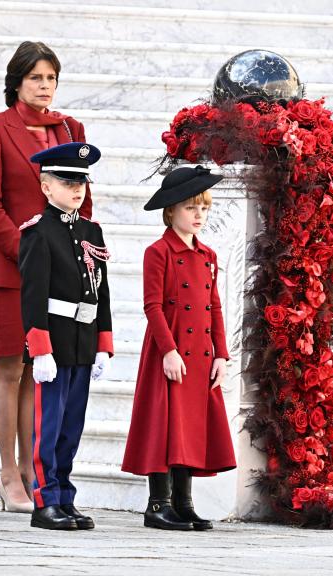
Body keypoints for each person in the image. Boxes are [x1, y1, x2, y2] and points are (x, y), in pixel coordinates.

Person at [0, 41, 92, 514]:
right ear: (16, 81)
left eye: (51, 78)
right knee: (11, 367)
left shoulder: (71, 129)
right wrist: (32, 253)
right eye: (36, 77)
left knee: (44, 374)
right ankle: (6, 474)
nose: (44, 86)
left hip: (62, 273)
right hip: (11, 266)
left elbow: (84, 198)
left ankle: (32, 470)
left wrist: (79, 256)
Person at [121, 166, 235, 531]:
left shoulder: (208, 255)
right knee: (165, 426)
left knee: (190, 427)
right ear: (170, 211)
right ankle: (158, 504)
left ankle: (184, 503)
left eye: (203, 208)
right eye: (190, 208)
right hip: (168, 352)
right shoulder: (159, 252)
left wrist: (221, 353)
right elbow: (152, 306)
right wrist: (168, 351)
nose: (198, 215)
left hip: (201, 354)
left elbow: (214, 305)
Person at [18, 142, 112, 531]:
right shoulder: (39, 232)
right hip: (54, 342)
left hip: (83, 341)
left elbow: (101, 290)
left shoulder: (92, 230)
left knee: (72, 424)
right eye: (67, 181)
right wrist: (40, 349)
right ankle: (45, 500)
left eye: (82, 182)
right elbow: (33, 294)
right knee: (50, 424)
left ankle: (66, 498)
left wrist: (103, 344)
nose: (77, 189)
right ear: (46, 187)